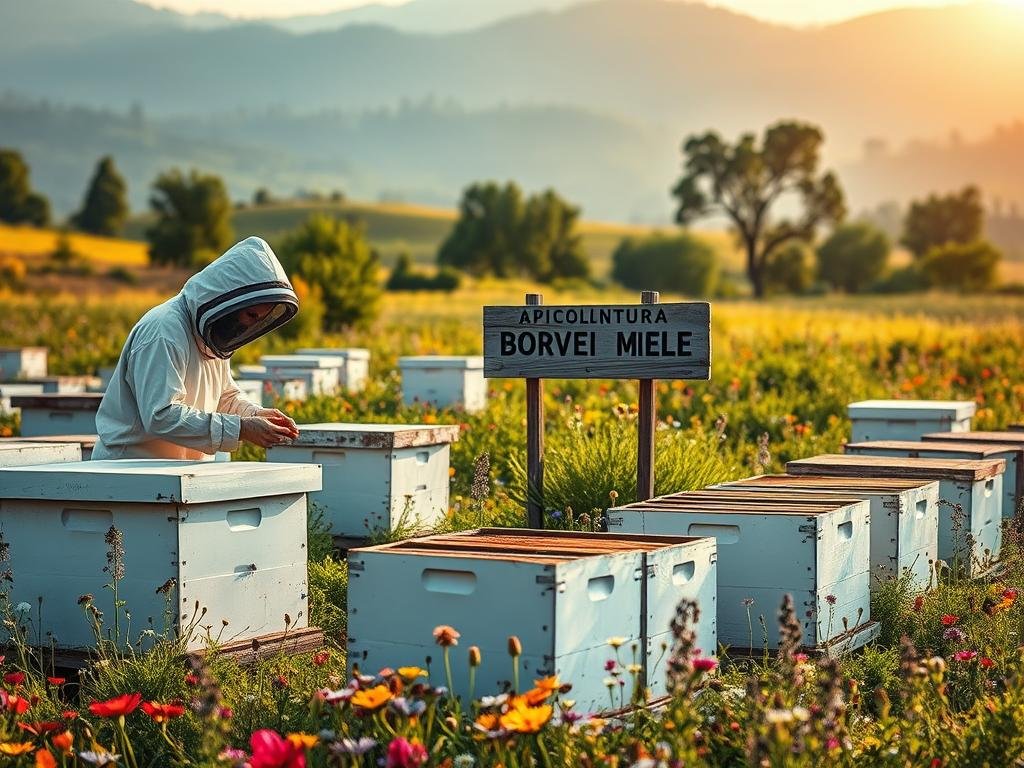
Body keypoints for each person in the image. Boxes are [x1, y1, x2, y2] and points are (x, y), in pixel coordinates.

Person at [93, 236, 302, 461]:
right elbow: (161, 415)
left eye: (258, 319)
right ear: (229, 297)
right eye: (251, 315)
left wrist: (254, 414)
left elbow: (223, 395)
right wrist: (241, 428)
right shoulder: (164, 332)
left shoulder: (210, 336)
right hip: (129, 472)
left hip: (176, 472)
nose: (250, 324)